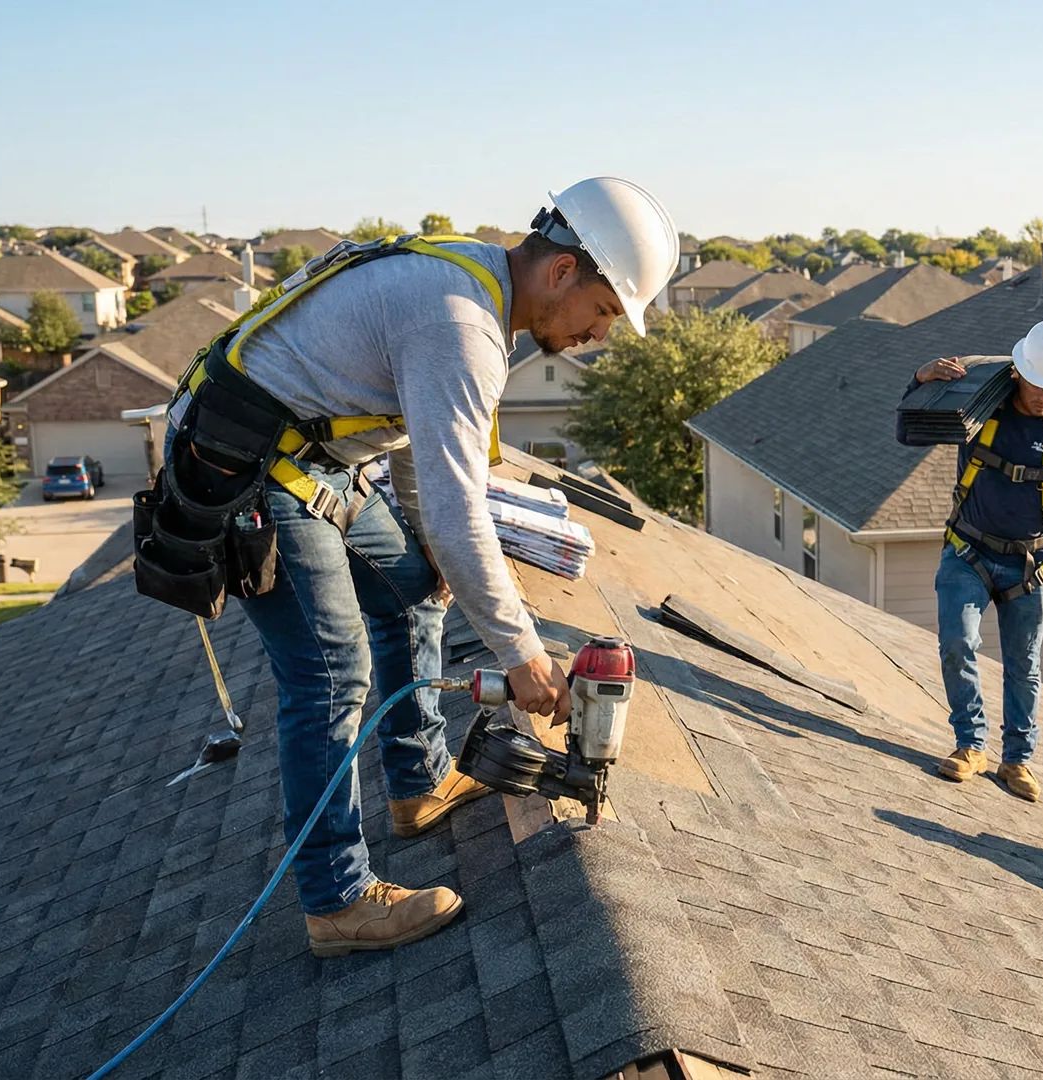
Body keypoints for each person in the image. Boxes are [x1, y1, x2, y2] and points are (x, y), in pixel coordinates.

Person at [163, 178, 676, 956]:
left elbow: (410, 437)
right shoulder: (462, 325)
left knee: (411, 588)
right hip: (248, 466)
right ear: (564, 272)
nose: (599, 333)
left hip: (312, 456)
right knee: (332, 674)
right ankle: (336, 901)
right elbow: (458, 506)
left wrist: (431, 550)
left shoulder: (474, 284)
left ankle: (418, 781)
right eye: (604, 310)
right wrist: (523, 653)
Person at [899, 319, 1043, 803]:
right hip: (968, 552)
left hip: (1029, 567)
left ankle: (1016, 760)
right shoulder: (980, 406)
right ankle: (970, 745)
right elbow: (907, 432)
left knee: (1024, 666)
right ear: (1018, 372)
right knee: (957, 642)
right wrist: (921, 378)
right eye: (1041, 386)